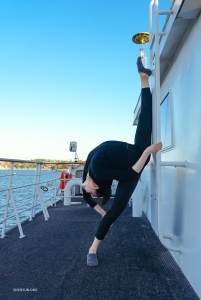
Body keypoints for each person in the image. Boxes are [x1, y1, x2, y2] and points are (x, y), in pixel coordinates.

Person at [82, 57, 162, 267]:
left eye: (92, 192)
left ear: (96, 184)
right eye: (92, 193)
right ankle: (92, 250)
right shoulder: (90, 177)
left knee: (147, 115)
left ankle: (144, 78)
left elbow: (128, 175)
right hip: (134, 159)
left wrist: (146, 151)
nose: (88, 193)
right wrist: (102, 213)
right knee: (114, 213)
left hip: (135, 155)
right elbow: (127, 175)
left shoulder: (96, 169)